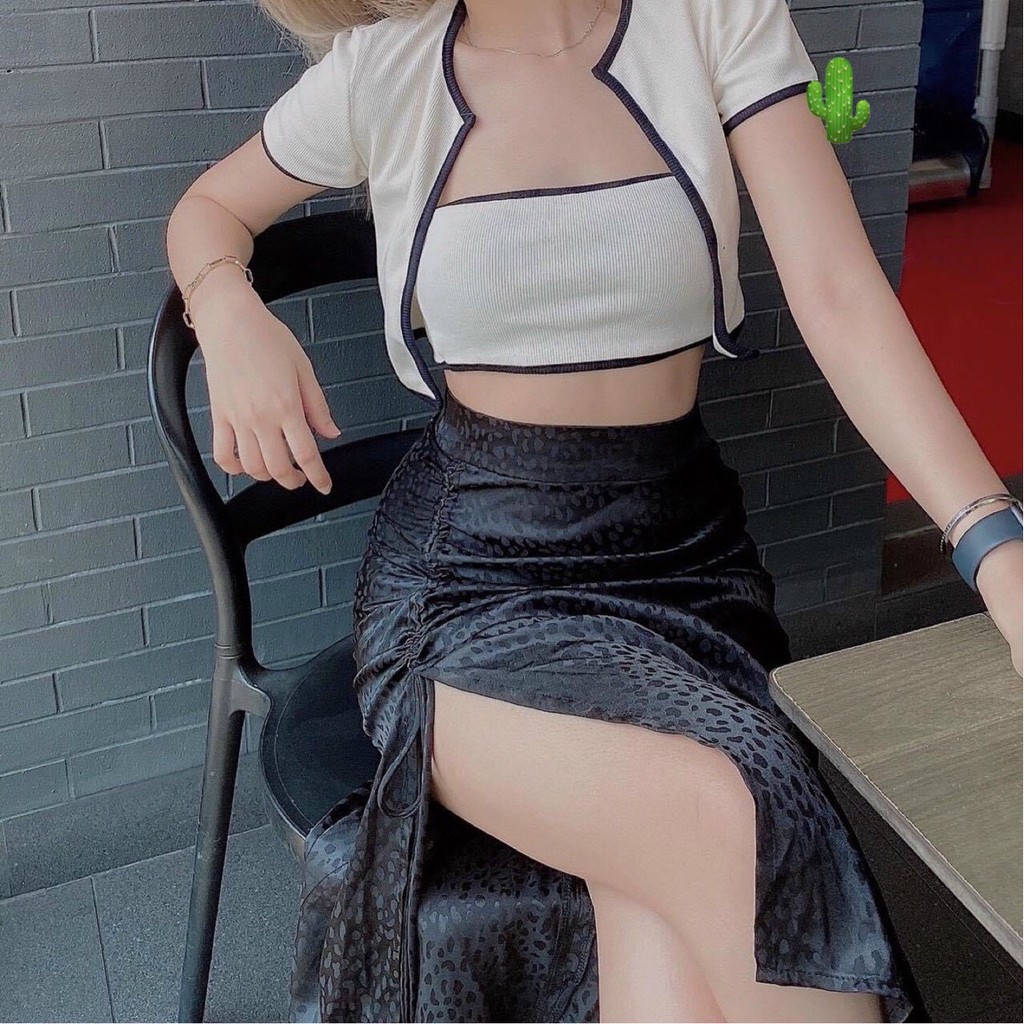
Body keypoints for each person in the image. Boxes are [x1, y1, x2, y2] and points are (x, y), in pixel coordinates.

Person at [165, 1, 1022, 1021]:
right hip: (470, 584)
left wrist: (996, 547)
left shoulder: (712, 19)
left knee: (667, 897)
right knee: (734, 817)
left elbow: (838, 293)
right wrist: (226, 309)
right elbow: (208, 209)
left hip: (682, 563)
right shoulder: (383, 71)